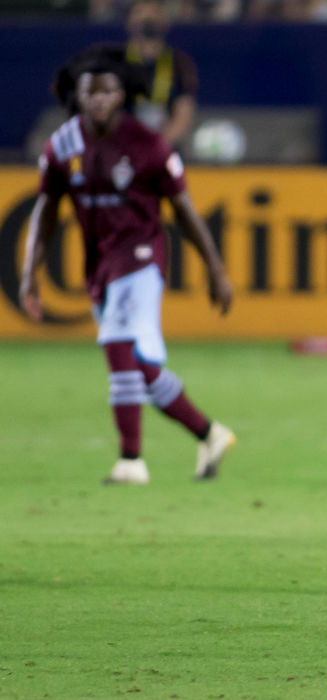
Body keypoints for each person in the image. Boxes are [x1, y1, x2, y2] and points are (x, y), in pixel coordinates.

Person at [19, 44, 235, 485]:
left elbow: (184, 210)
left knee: (117, 343)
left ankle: (131, 461)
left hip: (140, 257)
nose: (99, 100)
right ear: (77, 96)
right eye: (91, 92)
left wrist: (214, 268)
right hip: (99, 264)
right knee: (138, 368)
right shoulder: (62, 146)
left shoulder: (148, 144)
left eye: (108, 91)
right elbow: (46, 210)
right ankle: (209, 434)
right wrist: (29, 273)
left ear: (123, 95)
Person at [124, 0, 198, 147]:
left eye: (154, 13)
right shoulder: (116, 62)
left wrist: (156, 147)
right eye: (140, 13)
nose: (147, 18)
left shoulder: (180, 63)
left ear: (165, 23)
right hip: (124, 148)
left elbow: (184, 113)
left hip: (165, 148)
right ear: (129, 22)